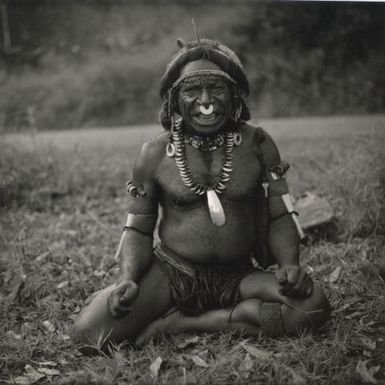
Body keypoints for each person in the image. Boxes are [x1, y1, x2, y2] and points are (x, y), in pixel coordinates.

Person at [71, 38, 331, 351]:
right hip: (171, 273)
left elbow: (280, 213)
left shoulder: (258, 145)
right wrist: (127, 277)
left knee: (313, 305)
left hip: (239, 275)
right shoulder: (153, 154)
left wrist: (289, 264)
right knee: (89, 336)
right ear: (175, 100)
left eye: (216, 89)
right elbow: (138, 228)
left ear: (233, 94)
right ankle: (233, 316)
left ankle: (179, 322)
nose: (205, 101)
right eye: (192, 90)